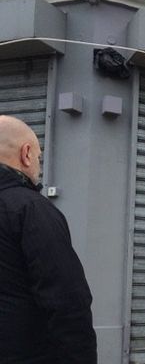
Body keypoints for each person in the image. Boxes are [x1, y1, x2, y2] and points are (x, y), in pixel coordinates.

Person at [0, 115, 97, 363]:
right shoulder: (30, 209)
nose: (39, 167)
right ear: (27, 154)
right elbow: (67, 302)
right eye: (39, 158)